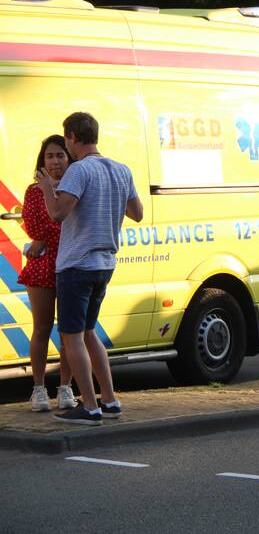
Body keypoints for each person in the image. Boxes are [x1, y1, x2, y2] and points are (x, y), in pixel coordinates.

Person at [35, 112, 143, 425]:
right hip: (105, 263)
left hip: (76, 263)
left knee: (71, 336)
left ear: (71, 138)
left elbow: (57, 214)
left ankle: (90, 407)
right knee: (88, 332)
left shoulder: (79, 170)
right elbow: (136, 212)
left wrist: (45, 187)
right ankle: (109, 400)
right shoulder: (121, 169)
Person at [20, 135, 76, 412]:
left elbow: (72, 224)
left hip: (71, 262)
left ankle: (66, 388)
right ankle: (39, 389)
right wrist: (41, 238)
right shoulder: (34, 191)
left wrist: (44, 238)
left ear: (70, 158)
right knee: (41, 328)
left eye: (60, 155)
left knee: (70, 331)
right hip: (42, 265)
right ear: (43, 161)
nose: (55, 161)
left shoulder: (77, 185)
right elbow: (31, 223)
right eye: (50, 156)